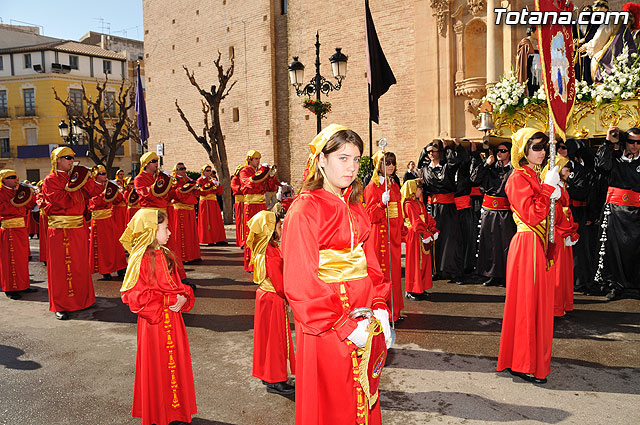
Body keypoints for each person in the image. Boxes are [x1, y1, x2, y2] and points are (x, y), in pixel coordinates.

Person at [282, 124, 391, 425]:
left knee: (362, 392)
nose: (352, 167)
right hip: (327, 323)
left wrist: (380, 305)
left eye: (357, 159)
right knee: (333, 401)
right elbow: (300, 281)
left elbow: (371, 264)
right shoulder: (304, 209)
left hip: (363, 315)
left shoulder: (356, 205)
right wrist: (342, 325)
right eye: (343, 158)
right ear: (321, 160)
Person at [496, 128, 568, 384]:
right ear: (524, 151)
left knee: (540, 307)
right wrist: (549, 190)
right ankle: (523, 362)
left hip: (541, 246)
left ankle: (533, 361)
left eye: (544, 147)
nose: (541, 152)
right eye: (536, 147)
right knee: (527, 305)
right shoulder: (517, 178)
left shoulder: (539, 176)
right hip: (527, 244)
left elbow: (553, 218)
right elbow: (531, 215)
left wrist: (557, 196)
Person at [120, 209, 197, 425]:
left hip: (173, 320)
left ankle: (175, 412)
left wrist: (183, 296)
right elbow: (133, 296)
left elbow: (177, 285)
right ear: (151, 231)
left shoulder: (166, 254)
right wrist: (167, 301)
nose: (170, 232)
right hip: (154, 323)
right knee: (158, 366)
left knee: (174, 364)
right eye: (165, 228)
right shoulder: (140, 259)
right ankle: (159, 413)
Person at [42, 147, 101, 320]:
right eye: (67, 157)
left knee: (80, 265)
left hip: (78, 228)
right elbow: (61, 201)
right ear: (58, 160)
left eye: (73, 157)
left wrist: (88, 178)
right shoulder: (50, 180)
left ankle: (84, 299)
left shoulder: (75, 178)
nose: (71, 160)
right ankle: (60, 305)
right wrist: (76, 187)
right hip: (60, 230)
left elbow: (93, 192)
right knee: (61, 268)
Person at [247, 207, 296, 395]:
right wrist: (291, 298)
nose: (281, 228)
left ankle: (267, 374)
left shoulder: (262, 247)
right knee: (276, 339)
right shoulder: (271, 252)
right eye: (278, 225)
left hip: (264, 297)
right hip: (274, 297)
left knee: (266, 338)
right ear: (270, 229)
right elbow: (280, 281)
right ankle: (276, 379)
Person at [594, 126, 640, 300]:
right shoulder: (614, 159)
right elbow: (600, 166)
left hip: (637, 213)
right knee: (614, 250)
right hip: (615, 211)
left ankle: (635, 286)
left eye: (638, 142)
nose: (635, 145)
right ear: (624, 142)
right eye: (631, 141)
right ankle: (615, 286)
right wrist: (607, 142)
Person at [134, 152, 188, 283]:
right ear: (146, 164)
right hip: (150, 218)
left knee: (170, 247)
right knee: (152, 250)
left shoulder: (160, 177)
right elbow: (147, 194)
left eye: (157, 161)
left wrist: (178, 188)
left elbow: (168, 195)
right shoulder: (139, 179)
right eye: (153, 161)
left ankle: (178, 278)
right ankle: (155, 280)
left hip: (163, 216)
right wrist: (159, 184)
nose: (156, 163)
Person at [418, 139, 467, 282]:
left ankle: (454, 272)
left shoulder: (447, 167)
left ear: (439, 152)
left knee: (451, 239)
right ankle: (435, 269)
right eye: (428, 152)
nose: (431, 154)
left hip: (448, 208)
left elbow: (458, 161)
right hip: (432, 208)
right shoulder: (424, 170)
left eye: (433, 151)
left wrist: (451, 147)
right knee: (434, 240)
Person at [365, 150, 405, 322]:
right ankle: (383, 313)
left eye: (392, 162)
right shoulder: (372, 187)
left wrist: (402, 231)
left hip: (394, 235)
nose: (390, 166)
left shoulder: (394, 184)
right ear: (378, 165)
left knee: (395, 273)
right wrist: (381, 203)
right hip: (380, 235)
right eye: (386, 162)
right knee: (383, 274)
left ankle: (395, 311)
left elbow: (399, 212)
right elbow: (369, 215)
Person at [470, 142, 516, 287]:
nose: (499, 153)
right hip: (489, 210)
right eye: (497, 150)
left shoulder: (513, 170)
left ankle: (505, 275)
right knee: (488, 242)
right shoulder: (490, 168)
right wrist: (485, 164)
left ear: (509, 153)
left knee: (504, 244)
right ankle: (490, 275)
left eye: (503, 150)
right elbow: (474, 179)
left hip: (505, 211)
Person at [542, 158, 580, 318]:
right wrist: (568, 230)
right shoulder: (554, 188)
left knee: (563, 269)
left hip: (563, 229)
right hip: (557, 231)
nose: (569, 171)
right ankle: (555, 306)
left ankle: (561, 304)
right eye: (566, 168)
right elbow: (555, 212)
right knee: (557, 269)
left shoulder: (562, 186)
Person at [0, 170, 37, 299]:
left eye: (16, 177)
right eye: (11, 178)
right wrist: (14, 201)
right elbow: (3, 208)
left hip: (21, 229)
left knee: (22, 259)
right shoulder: (1, 192)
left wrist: (30, 194)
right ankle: (10, 288)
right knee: (10, 260)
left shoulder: (19, 191)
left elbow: (30, 205)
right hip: (9, 229)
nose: (15, 180)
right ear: (3, 180)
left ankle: (23, 285)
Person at [240, 150, 279, 271]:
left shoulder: (260, 172)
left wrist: (271, 176)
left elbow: (269, 187)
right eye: (256, 159)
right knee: (252, 233)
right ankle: (252, 264)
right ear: (250, 160)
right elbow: (251, 182)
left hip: (261, 204)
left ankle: (263, 262)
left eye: (259, 159)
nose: (258, 161)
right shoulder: (244, 171)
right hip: (251, 205)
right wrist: (263, 171)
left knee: (264, 232)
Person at [88, 165, 128, 281]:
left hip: (109, 218)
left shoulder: (108, 185)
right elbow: (94, 202)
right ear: (96, 175)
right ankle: (105, 270)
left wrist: (117, 191)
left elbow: (118, 199)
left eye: (105, 173)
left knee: (116, 244)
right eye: (102, 174)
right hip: (99, 220)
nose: (105, 176)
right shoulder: (92, 186)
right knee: (103, 246)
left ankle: (120, 267)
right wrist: (105, 194)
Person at [401, 179, 438, 300]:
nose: (421, 190)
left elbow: (427, 218)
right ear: (412, 189)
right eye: (419, 188)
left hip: (422, 235)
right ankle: (411, 290)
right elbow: (415, 221)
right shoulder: (408, 204)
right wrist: (425, 232)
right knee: (414, 262)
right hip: (414, 235)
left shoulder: (420, 203)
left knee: (424, 262)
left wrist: (432, 228)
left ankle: (421, 287)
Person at [171, 163, 202, 263]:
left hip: (190, 209)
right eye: (180, 169)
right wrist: (190, 187)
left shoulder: (189, 180)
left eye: (184, 168)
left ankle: (193, 255)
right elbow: (177, 194)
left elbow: (196, 193)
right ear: (176, 170)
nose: (183, 171)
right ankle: (183, 256)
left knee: (192, 233)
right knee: (182, 233)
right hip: (181, 209)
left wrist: (196, 188)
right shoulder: (174, 180)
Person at [196, 164, 226, 246]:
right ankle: (209, 239)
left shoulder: (213, 179)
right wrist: (210, 185)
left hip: (213, 202)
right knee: (207, 221)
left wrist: (218, 185)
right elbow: (200, 192)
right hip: (205, 203)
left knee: (216, 221)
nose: (209, 172)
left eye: (210, 170)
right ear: (203, 171)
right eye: (207, 170)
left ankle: (219, 239)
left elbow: (219, 192)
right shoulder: (200, 180)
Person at [230, 164, 245, 247]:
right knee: (241, 221)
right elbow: (235, 187)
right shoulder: (235, 179)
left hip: (245, 202)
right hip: (239, 203)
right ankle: (241, 240)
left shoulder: (243, 178)